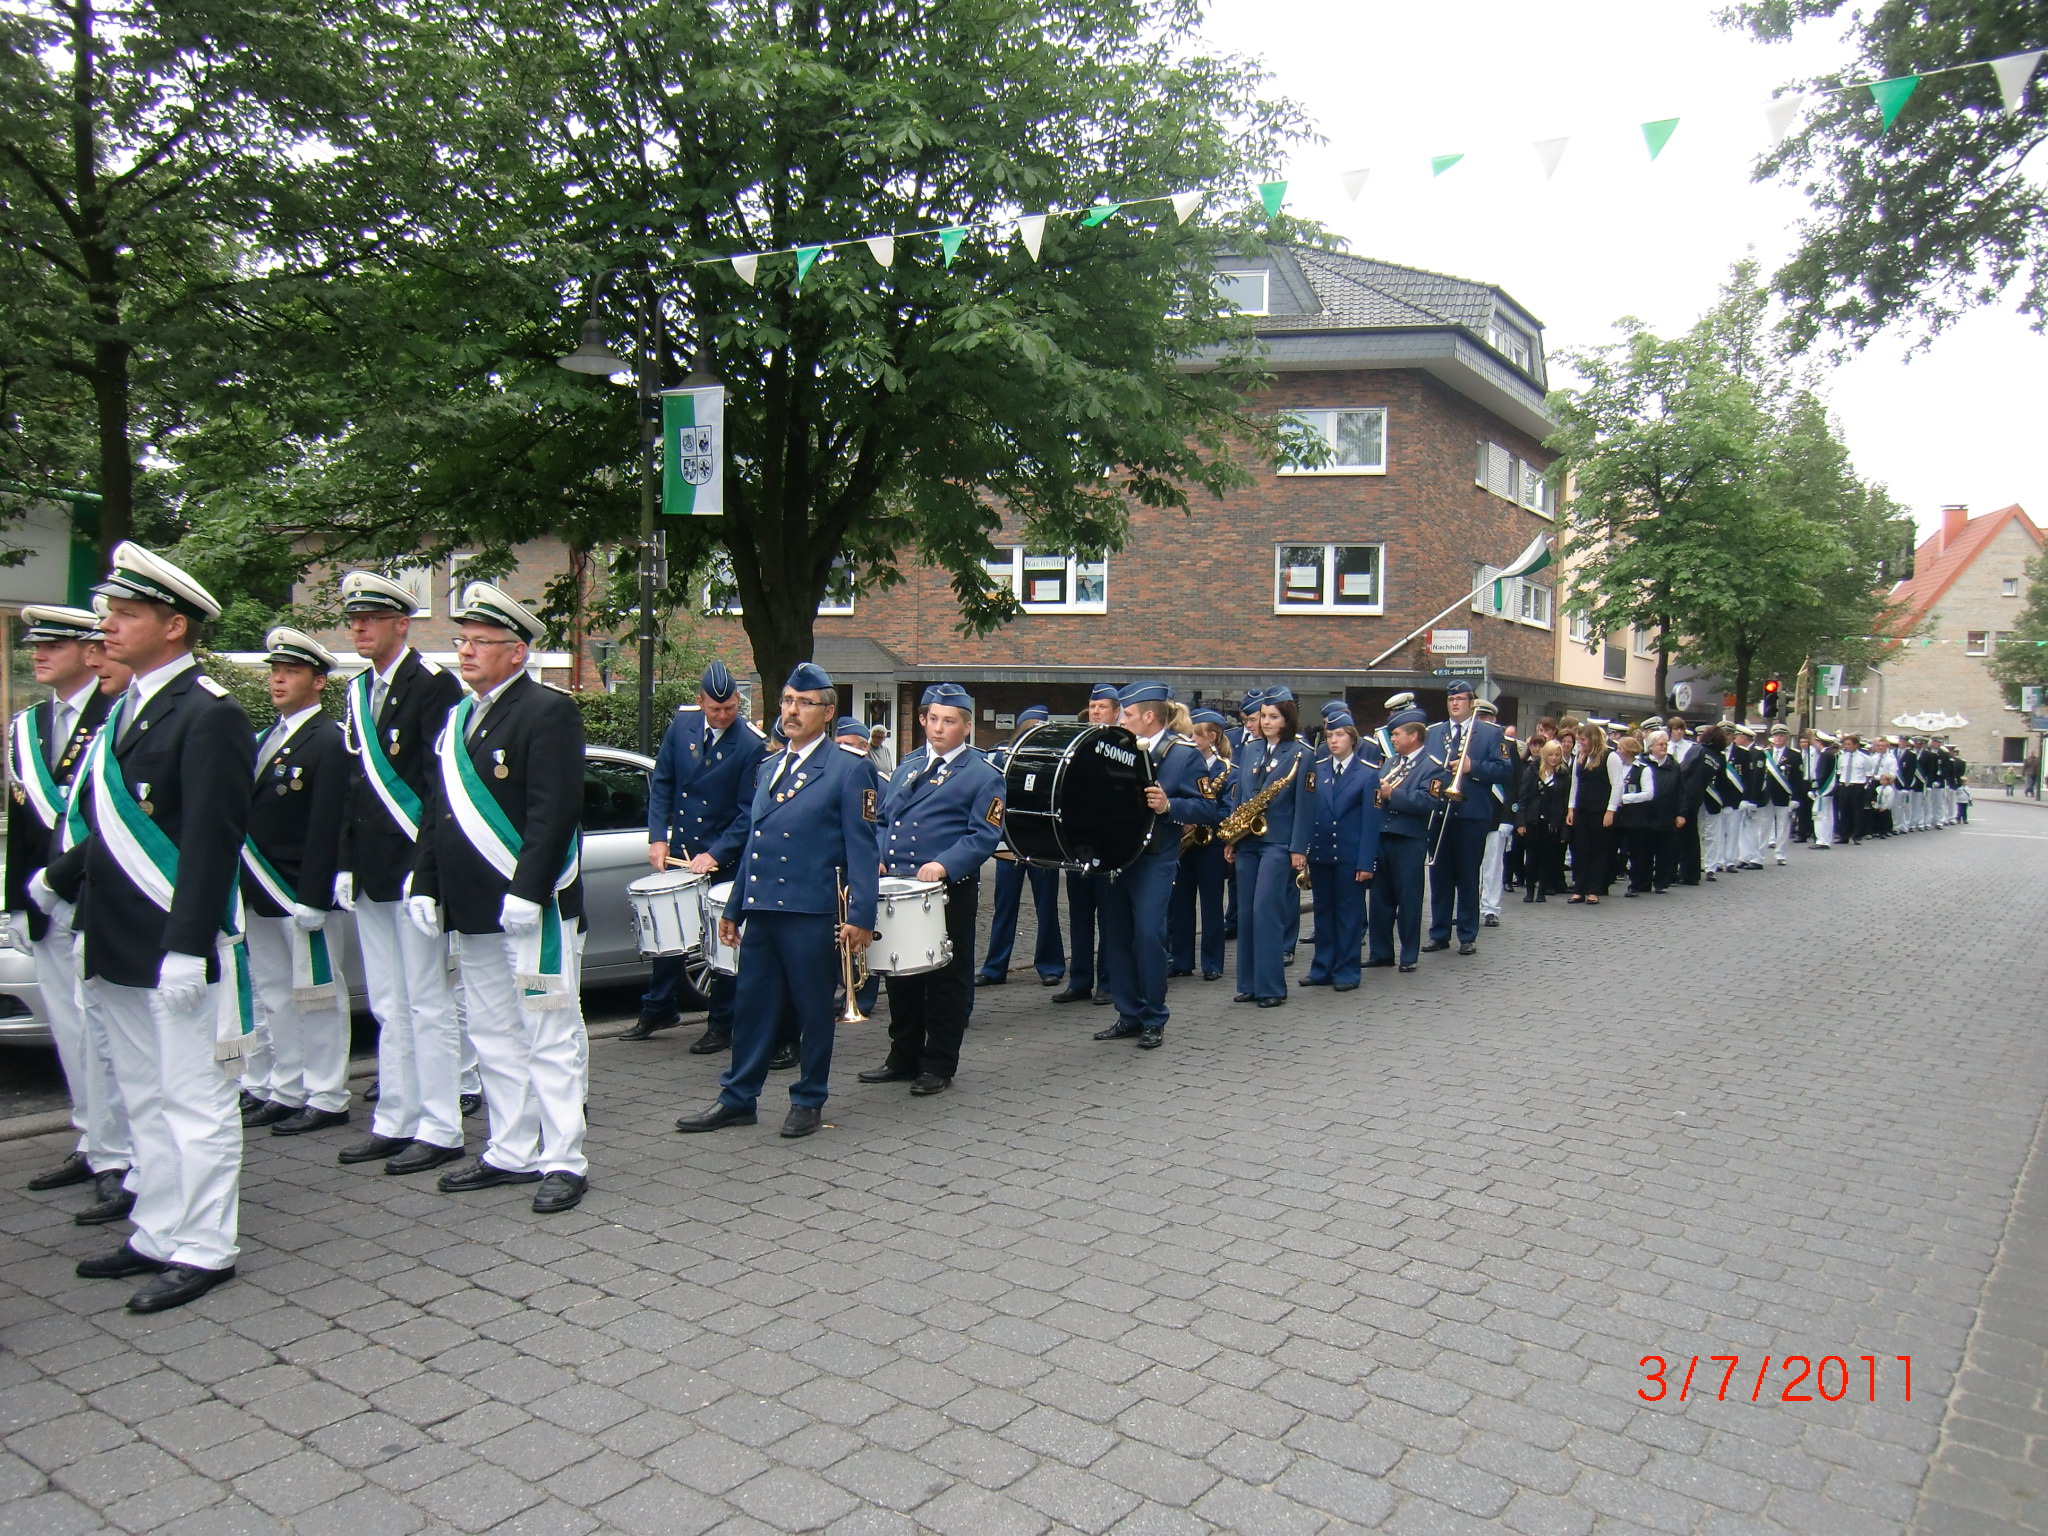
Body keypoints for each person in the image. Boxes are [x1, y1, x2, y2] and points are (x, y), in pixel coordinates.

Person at [43, 542, 251, 1312]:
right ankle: (159, 1231)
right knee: (144, 1098)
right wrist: (57, 882)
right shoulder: (125, 709)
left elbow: (212, 839)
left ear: (173, 626)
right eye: (110, 614)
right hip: (118, 939)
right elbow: (112, 824)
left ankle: (206, 1246)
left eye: (126, 615)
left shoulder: (209, 714)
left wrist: (189, 946)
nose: (109, 628)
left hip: (174, 946)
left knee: (194, 1100)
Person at [414, 583, 591, 1214]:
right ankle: (511, 1148)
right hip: (473, 904)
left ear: (517, 652)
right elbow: (438, 811)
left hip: (530, 908)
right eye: (461, 640)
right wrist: (425, 883)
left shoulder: (548, 711)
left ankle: (564, 1158)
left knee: (548, 1031)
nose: (465, 651)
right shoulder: (459, 717)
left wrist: (528, 888)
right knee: (491, 1032)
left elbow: (554, 810)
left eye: (480, 642)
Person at [676, 663, 881, 1139]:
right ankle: (737, 1097)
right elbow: (755, 842)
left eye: (804, 703)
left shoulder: (850, 768)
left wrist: (861, 915)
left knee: (812, 1010)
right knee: (751, 1007)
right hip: (765, 907)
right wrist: (735, 907)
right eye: (788, 700)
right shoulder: (769, 766)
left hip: (811, 910)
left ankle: (809, 1098)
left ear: (827, 713)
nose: (792, 710)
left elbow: (863, 848)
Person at [331, 571, 471, 1177]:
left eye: (370, 618)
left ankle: (440, 1126)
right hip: (371, 871)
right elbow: (354, 785)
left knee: (427, 1003)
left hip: (413, 870)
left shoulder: (434, 685)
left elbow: (440, 788)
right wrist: (344, 861)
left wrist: (428, 872)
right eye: (353, 618)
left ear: (400, 624)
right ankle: (395, 1118)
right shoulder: (358, 691)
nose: (358, 627)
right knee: (389, 1004)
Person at [8, 605, 127, 1220]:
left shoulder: (116, 716)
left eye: (54, 645)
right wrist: (16, 903)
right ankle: (92, 1139)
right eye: (37, 645)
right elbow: (24, 823)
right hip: (43, 903)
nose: (38, 654)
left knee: (103, 1032)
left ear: (90, 650)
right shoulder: (28, 725)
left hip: (94, 898)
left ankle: (119, 1154)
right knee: (69, 1031)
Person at [857, 683, 1004, 1094]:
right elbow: (884, 819)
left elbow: (984, 834)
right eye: (933, 719)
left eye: (949, 721)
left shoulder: (983, 774)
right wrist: (878, 854)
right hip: (900, 886)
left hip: (946, 890)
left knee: (945, 977)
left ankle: (939, 1062)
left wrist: (944, 864)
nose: (938, 728)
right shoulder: (909, 765)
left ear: (967, 726)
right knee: (900, 973)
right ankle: (902, 1056)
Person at [236, 628, 353, 1139]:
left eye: (291, 672)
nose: (278, 680)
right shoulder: (266, 738)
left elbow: (329, 822)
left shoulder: (329, 739)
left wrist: (314, 894)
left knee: (318, 995)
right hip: (261, 888)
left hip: (301, 891)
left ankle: (326, 1094)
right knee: (275, 994)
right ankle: (286, 1088)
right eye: (275, 672)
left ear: (319, 681)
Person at [631, 660, 768, 1050]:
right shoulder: (682, 726)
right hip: (683, 848)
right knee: (668, 928)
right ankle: (659, 1006)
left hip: (723, 858)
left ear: (738, 701)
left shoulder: (751, 744)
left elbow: (748, 812)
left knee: (723, 941)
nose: (723, 716)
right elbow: (664, 783)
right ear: (701, 701)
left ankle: (721, 1022)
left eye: (730, 708)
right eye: (715, 709)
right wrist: (658, 837)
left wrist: (716, 853)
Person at [1091, 684, 1224, 1045]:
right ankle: (1128, 1014)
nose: (1121, 720)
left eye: (1128, 714)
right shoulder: (1116, 747)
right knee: (1116, 936)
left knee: (1149, 935)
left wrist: (1169, 806)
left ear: (1149, 716)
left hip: (1155, 857)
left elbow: (1208, 809)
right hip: (1117, 855)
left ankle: (1153, 1016)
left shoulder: (1184, 754)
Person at [1226, 687, 1314, 1007]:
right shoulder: (1251, 749)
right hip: (1247, 841)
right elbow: (1239, 796)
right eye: (1263, 716)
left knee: (1266, 911)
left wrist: (1298, 848)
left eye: (1273, 717)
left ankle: (1272, 987)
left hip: (1278, 842)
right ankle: (1249, 984)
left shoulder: (1302, 753)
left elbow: (1305, 805)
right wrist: (1232, 838)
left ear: (1286, 719)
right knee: (1246, 913)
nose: (1265, 722)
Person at [1422, 681, 1514, 956]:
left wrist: (1473, 767)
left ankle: (1467, 934)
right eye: (1451, 699)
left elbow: (1504, 770)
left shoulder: (1490, 733)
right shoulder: (1433, 733)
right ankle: (1439, 932)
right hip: (1440, 812)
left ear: (1471, 703)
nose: (1455, 703)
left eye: (1461, 699)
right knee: (1439, 876)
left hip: (1472, 813)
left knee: (1467, 875)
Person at [980, 705, 1066, 988]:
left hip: (1042, 842)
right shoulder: (1001, 756)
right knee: (1004, 906)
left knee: (1047, 907)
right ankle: (995, 967)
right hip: (1010, 841)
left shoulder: (1053, 759)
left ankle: (1051, 965)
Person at [1053, 684, 1121, 1007]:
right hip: (1080, 843)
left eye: (1102, 707)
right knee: (1079, 916)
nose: (1095, 712)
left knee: (1109, 918)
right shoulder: (1078, 743)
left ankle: (1107, 982)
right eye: (1092, 707)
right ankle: (1079, 980)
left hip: (1109, 844)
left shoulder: (1123, 745)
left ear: (1116, 712)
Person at [1301, 713, 1378, 991]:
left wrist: (1366, 862)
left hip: (1350, 855)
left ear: (1352, 739)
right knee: (1323, 913)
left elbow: (1371, 823)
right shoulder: (1318, 769)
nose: (1334, 741)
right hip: (1322, 853)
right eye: (1330, 736)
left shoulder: (1367, 773)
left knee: (1348, 915)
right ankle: (1322, 967)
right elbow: (1309, 812)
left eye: (1340, 735)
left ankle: (1347, 970)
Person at [1366, 709, 1436, 971]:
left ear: (1413, 735)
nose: (1392, 739)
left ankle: (1409, 955)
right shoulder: (1391, 762)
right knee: (1379, 899)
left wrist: (1392, 795)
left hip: (1409, 839)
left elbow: (1427, 801)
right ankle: (1381, 952)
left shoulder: (1431, 767)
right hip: (1382, 836)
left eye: (1396, 734)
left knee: (1408, 899)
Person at [1168, 709, 1234, 982]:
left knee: (1211, 905)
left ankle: (1212, 962)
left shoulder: (1226, 770)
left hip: (1211, 844)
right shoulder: (1182, 765)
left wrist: (1200, 818)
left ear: (1213, 738)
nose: (1191, 740)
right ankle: (1181, 959)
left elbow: (1228, 810)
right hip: (1185, 843)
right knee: (1180, 903)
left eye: (1196, 735)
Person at [1565, 722, 1615, 905]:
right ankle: (1579, 889)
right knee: (1580, 849)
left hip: (1600, 810)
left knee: (1598, 850)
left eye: (1583, 740)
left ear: (1592, 740)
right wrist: (1571, 808)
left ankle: (1594, 890)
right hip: (1582, 809)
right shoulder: (1580, 757)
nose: (1580, 743)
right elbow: (1575, 784)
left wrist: (1611, 810)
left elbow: (1617, 785)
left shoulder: (1610, 756)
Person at [1473, 698, 1513, 926]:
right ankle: (1469, 907)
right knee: (1470, 866)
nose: (1481, 721)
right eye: (1477, 717)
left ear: (1494, 719)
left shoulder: (1506, 745)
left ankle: (1490, 908)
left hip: (1496, 813)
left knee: (1492, 865)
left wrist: (1509, 816)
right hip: (1471, 812)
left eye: (1484, 717)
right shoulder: (1466, 743)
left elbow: (1513, 784)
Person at [1516, 740, 1569, 902]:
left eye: (1557, 755)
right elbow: (1523, 797)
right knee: (1532, 856)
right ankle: (1529, 890)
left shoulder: (1563, 774)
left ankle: (1542, 891)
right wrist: (1520, 822)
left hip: (1552, 820)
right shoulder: (1532, 770)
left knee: (1548, 857)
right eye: (1551, 755)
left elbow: (1564, 801)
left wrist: (1563, 827)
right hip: (1533, 819)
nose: (1554, 758)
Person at [1806, 731, 1839, 848]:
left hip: (1824, 790)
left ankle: (1821, 840)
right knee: (1827, 815)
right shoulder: (1830, 754)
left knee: (1820, 815)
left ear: (1818, 742)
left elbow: (1822, 774)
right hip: (1829, 790)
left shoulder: (1825, 755)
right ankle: (1826, 839)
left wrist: (1815, 788)